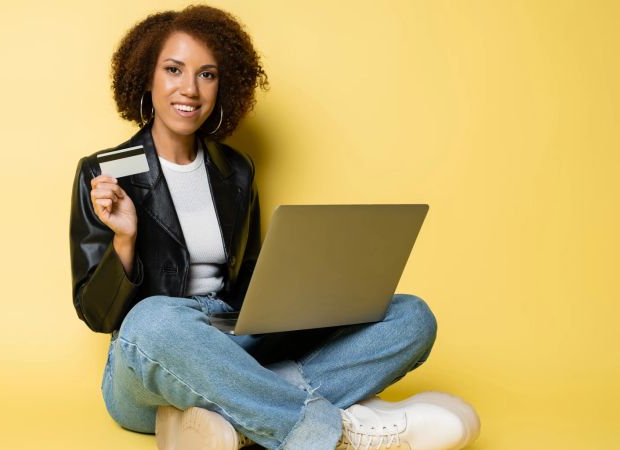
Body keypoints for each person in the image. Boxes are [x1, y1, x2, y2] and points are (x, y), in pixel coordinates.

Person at [69, 5, 481, 450]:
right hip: (151, 358)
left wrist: (309, 301)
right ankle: (336, 430)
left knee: (410, 316)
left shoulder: (236, 171)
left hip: (233, 340)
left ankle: (233, 422)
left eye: (207, 74)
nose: (189, 88)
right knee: (152, 319)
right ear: (147, 77)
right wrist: (126, 239)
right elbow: (98, 315)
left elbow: (248, 282)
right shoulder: (104, 172)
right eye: (173, 70)